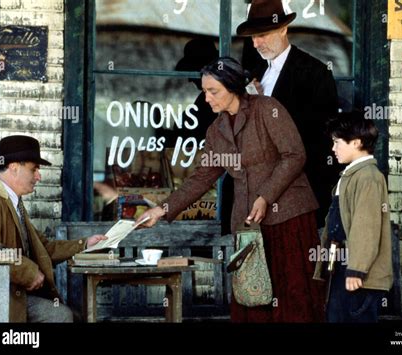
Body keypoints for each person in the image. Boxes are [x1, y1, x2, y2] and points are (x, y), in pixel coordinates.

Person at [138, 57, 325, 322]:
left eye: (213, 91)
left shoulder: (267, 109)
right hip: (249, 227)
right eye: (204, 91)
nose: (206, 98)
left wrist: (265, 196)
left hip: (288, 220)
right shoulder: (216, 131)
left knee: (292, 298)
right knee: (252, 296)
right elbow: (202, 177)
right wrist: (161, 209)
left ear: (233, 86)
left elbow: (294, 155)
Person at [237, 0, 340, 228]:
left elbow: (321, 141)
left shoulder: (315, 73)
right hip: (257, 194)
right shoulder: (257, 72)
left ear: (283, 29)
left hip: (296, 196)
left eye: (262, 35)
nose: (256, 43)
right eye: (253, 37)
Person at [0, 135, 107, 322]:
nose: (39, 176)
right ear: (14, 168)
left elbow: (44, 248)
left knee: (69, 314)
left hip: (16, 295)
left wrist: (84, 244)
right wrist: (28, 272)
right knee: (62, 316)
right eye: (34, 169)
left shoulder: (13, 203)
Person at [313, 112, 393, 322]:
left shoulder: (368, 178)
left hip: (359, 275)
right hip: (343, 266)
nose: (333, 149)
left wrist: (357, 269)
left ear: (356, 142)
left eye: (337, 142)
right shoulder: (352, 175)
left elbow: (366, 227)